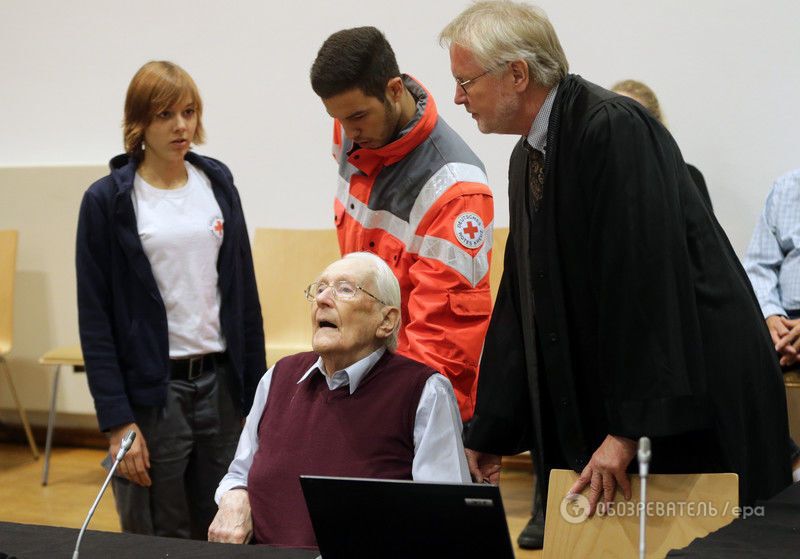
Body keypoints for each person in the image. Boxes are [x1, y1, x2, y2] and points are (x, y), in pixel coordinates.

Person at [440, 0, 791, 525]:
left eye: (466, 81)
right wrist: (489, 430)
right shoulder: (528, 154)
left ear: (517, 74)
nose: (457, 97)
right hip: (645, 398)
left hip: (699, 393)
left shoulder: (613, 128)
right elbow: (522, 300)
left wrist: (630, 430)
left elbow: (646, 286)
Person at [76, 60, 265, 539]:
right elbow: (95, 320)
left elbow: (244, 297)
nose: (181, 126)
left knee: (224, 521)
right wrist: (118, 420)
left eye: (188, 111)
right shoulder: (109, 200)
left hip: (219, 384)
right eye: (165, 115)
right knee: (161, 531)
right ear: (139, 123)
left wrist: (256, 398)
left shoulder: (216, 182)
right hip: (155, 394)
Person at [208, 252, 470, 548]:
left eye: (345, 289)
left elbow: (446, 519)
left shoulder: (423, 392)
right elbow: (238, 473)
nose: (323, 299)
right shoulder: (278, 377)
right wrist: (234, 496)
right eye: (319, 288)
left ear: (386, 321)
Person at [309, 27, 494, 423]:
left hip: (416, 404)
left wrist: (396, 417)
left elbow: (444, 341)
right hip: (364, 381)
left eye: (357, 116)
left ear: (394, 90)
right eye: (338, 118)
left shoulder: (456, 190)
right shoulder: (353, 132)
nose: (348, 131)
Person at [743, 168, 800, 482]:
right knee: (730, 353)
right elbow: (758, 267)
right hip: (782, 321)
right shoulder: (785, 188)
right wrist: (770, 317)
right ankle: (789, 462)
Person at [610, 79, 713, 211]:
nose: (620, 129)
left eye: (630, 119)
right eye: (612, 117)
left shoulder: (688, 178)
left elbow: (703, 230)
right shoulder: (589, 179)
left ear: (654, 126)